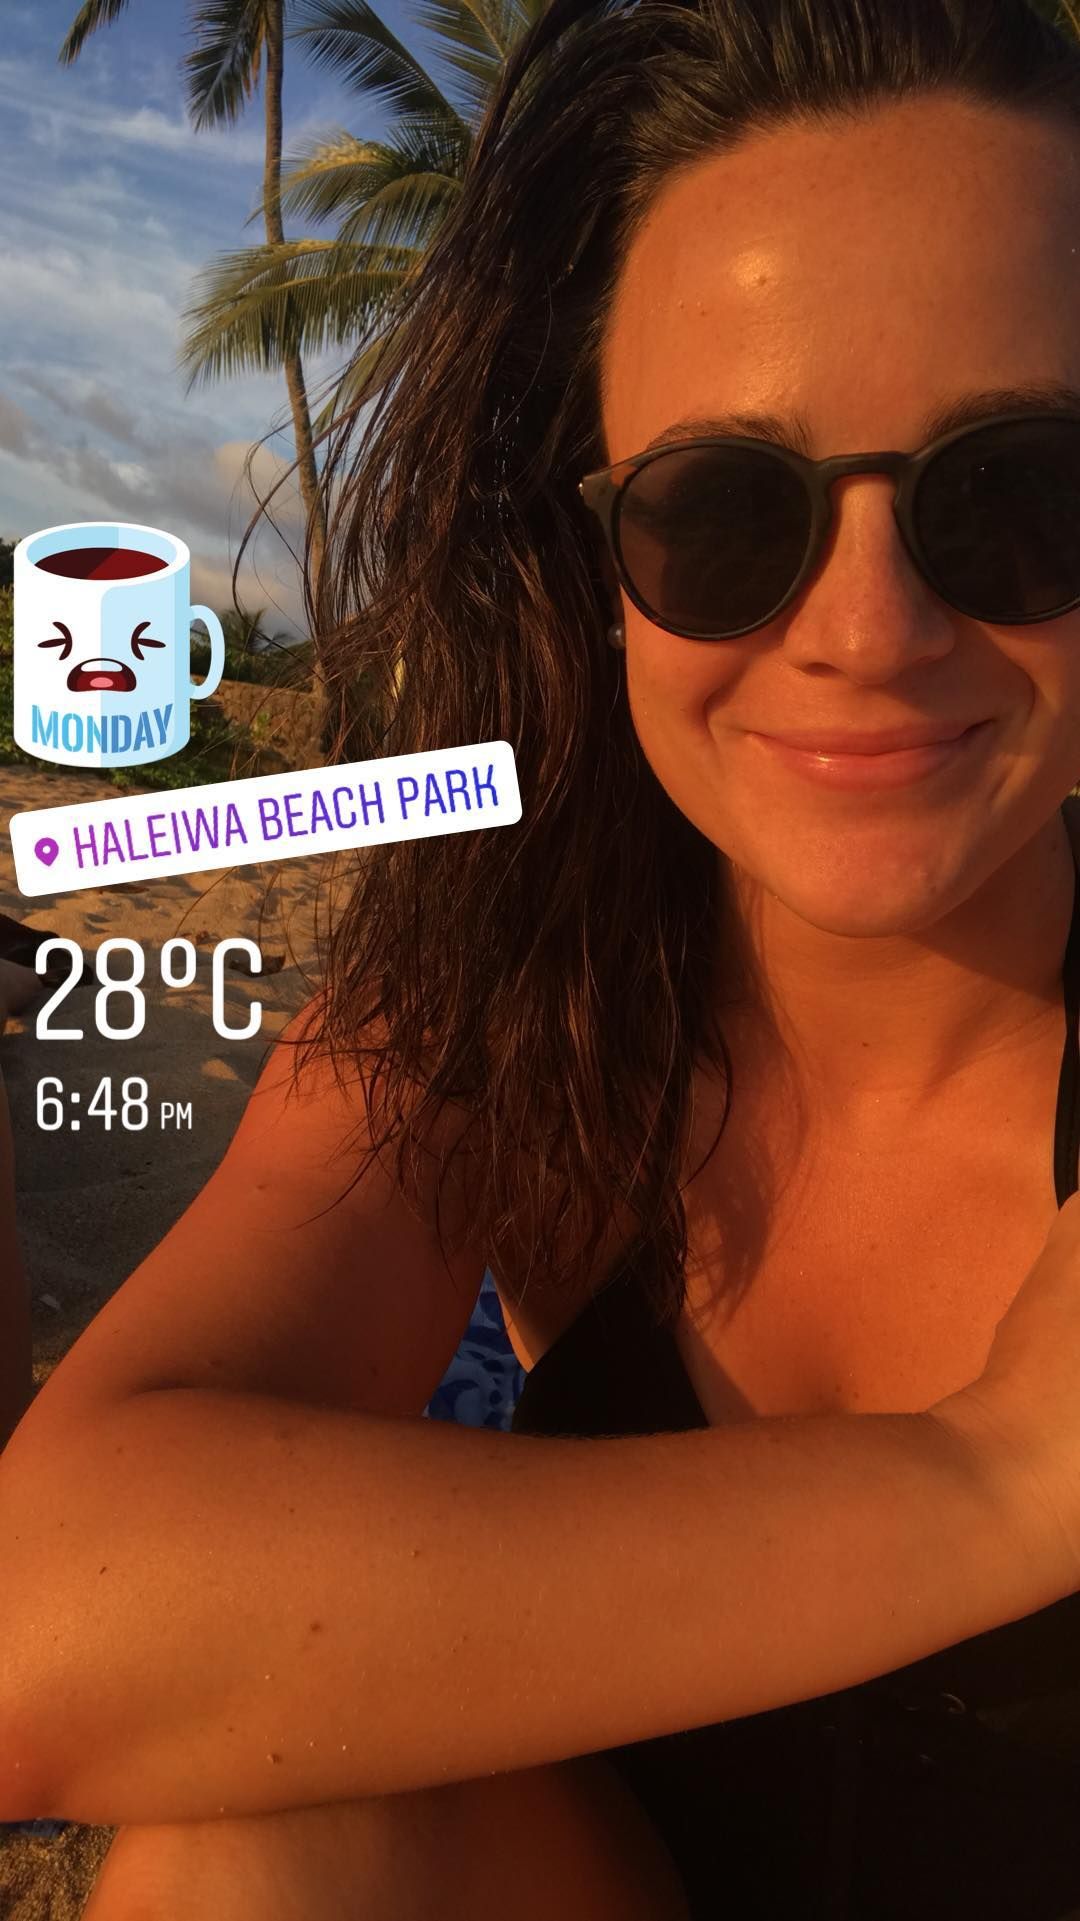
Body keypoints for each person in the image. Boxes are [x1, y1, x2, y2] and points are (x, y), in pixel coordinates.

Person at [6, 0, 1080, 1915]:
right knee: (269, 1832)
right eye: (718, 512)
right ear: (593, 568)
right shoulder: (524, 995)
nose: (869, 628)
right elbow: (44, 1617)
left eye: (1015, 492)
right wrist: (996, 1479)